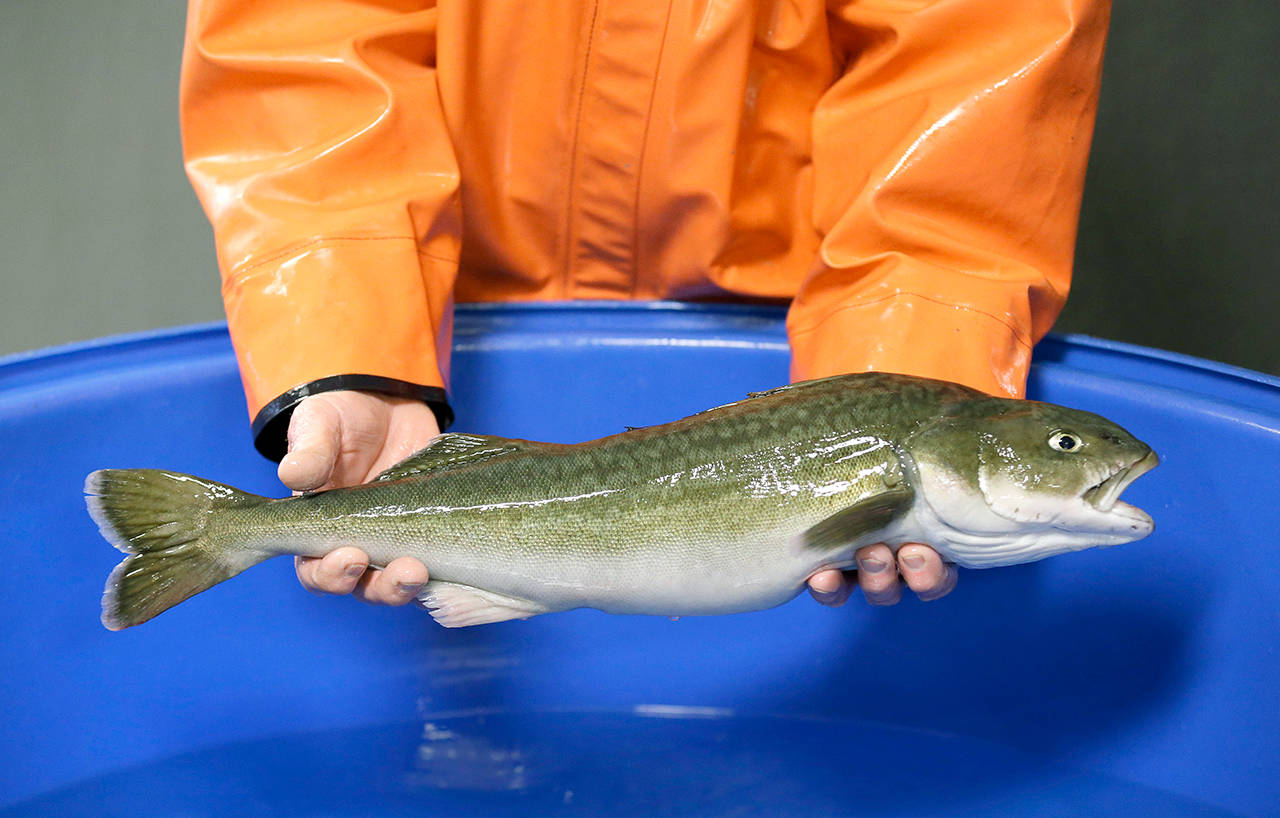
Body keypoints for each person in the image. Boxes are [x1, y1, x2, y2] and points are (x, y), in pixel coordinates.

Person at [179, 0, 1108, 612]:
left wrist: (909, 379)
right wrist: (353, 344)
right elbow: (300, 50)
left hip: (793, 325)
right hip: (441, 313)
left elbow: (967, 77)